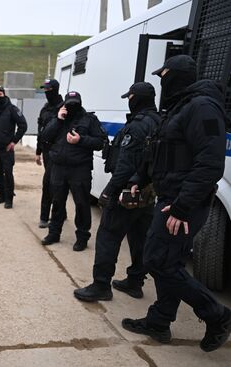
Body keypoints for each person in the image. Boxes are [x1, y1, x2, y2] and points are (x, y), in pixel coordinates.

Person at [121, 55, 231, 352]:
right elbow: (160, 151)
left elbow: (210, 164)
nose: (161, 80)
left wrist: (182, 206)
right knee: (168, 261)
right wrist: (140, 178)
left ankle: (216, 315)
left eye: (164, 74)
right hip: (172, 197)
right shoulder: (182, 106)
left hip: (182, 204)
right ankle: (159, 320)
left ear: (178, 75)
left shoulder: (203, 107)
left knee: (157, 260)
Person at [74, 82, 160, 302]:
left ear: (136, 99)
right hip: (147, 191)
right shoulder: (158, 121)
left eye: (130, 97)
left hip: (126, 191)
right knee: (140, 237)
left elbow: (126, 164)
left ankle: (101, 285)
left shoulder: (137, 126)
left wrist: (109, 191)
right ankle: (135, 281)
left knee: (108, 236)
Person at [40, 91, 106, 251]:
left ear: (80, 103)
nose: (72, 106)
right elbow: (45, 136)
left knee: (82, 204)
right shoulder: (59, 118)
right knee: (57, 202)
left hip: (80, 169)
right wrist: (57, 119)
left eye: (75, 103)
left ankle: (82, 237)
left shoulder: (89, 119)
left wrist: (80, 140)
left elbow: (100, 142)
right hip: (58, 167)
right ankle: (54, 233)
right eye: (69, 103)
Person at [0, 85, 27, 209]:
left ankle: (9, 199)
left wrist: (14, 141)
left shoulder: (12, 109)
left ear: (4, 94)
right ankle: (1, 195)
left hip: (7, 149)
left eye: (0, 94)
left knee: (8, 174)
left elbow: (23, 125)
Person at [36, 79, 65, 228]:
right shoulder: (45, 108)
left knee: (53, 184)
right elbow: (40, 131)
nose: (46, 93)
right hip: (47, 152)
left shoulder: (64, 107)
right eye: (45, 90)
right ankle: (45, 216)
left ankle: (50, 215)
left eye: (49, 90)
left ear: (55, 90)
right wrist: (38, 151)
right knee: (49, 183)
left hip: (60, 151)